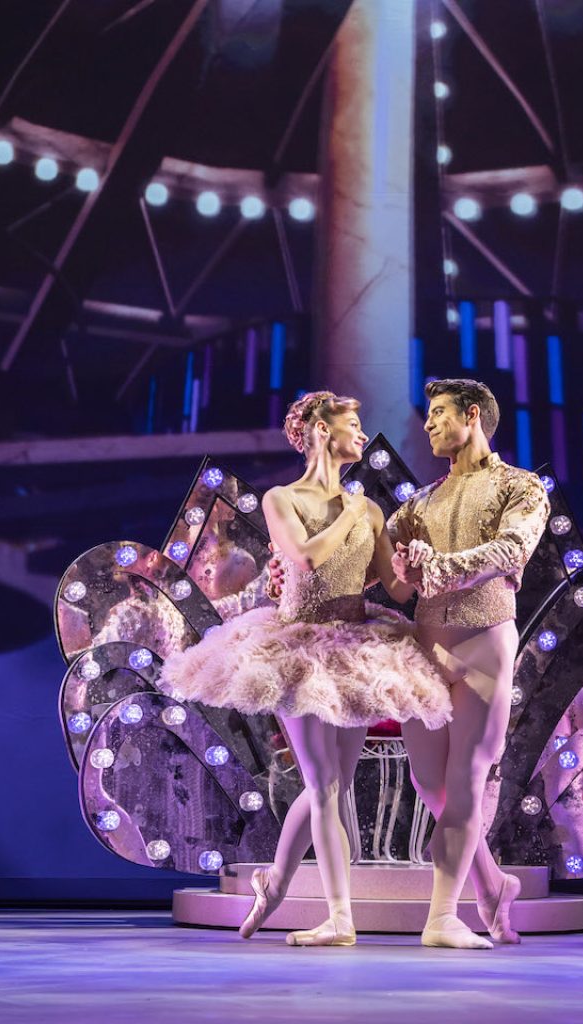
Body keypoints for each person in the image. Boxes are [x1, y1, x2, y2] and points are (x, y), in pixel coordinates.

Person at [158, 391, 452, 947]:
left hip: (356, 644)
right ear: (321, 430)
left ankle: (274, 881)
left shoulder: (369, 510)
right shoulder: (281, 499)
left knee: (333, 783)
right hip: (297, 649)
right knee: (324, 786)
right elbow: (308, 557)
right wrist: (347, 510)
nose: (363, 434)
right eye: (353, 424)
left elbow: (388, 586)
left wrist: (412, 566)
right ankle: (340, 917)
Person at [388, 379, 550, 949]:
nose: (428, 424)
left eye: (438, 414)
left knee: (465, 783)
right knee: (428, 781)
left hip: (484, 642)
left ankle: (442, 918)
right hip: (425, 650)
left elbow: (511, 551)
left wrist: (437, 566)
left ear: (472, 415)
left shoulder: (521, 487)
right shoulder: (417, 504)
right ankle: (492, 884)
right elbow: (384, 569)